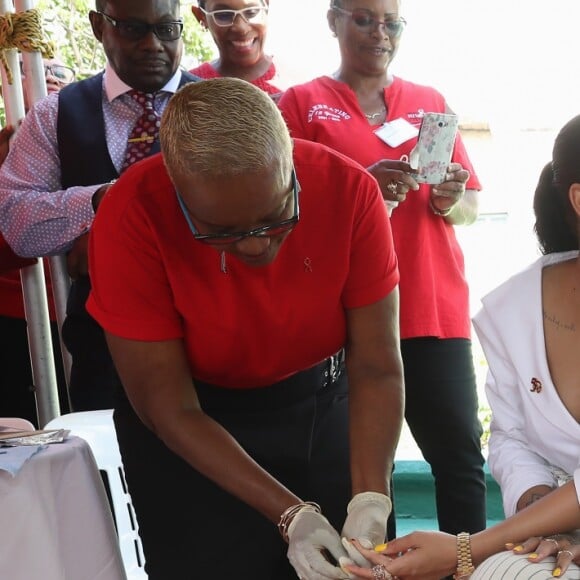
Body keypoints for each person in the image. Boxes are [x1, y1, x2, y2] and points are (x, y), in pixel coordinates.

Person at [86, 77, 404, 579]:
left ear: (292, 169)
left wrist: (370, 495)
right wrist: (290, 512)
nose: (255, 246)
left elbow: (377, 366)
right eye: (221, 232)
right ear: (178, 190)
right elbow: (167, 406)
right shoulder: (132, 212)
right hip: (191, 429)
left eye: (277, 216)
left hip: (322, 405)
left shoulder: (348, 189)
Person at [277, 0, 486, 538]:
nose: (380, 32)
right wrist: (358, 186)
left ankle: (467, 570)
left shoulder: (429, 102)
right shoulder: (301, 104)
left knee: (460, 461)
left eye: (391, 21)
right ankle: (380, 571)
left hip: (432, 310)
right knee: (366, 475)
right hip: (350, 318)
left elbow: (468, 210)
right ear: (333, 21)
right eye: (364, 18)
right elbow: (282, 211)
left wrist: (448, 197)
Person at [345, 112, 580, 580]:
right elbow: (512, 438)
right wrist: (543, 511)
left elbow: (471, 550)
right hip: (563, 524)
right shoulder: (513, 308)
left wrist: (467, 549)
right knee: (519, 571)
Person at [0, 0, 198, 412]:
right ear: (97, 25)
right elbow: (17, 220)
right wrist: (101, 201)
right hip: (105, 355)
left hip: (212, 344)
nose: (152, 45)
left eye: (167, 30)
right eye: (132, 29)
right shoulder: (55, 115)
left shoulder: (226, 105)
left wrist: (117, 232)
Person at [0, 56, 74, 425]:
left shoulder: (86, 137)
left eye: (61, 71)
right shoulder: (4, 146)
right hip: (14, 317)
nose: (52, 79)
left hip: (79, 307)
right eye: (39, 70)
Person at [190, 0, 284, 99]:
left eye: (251, 12)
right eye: (224, 15)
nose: (241, 28)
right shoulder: (188, 91)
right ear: (201, 16)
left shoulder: (296, 86)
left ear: (266, 5)